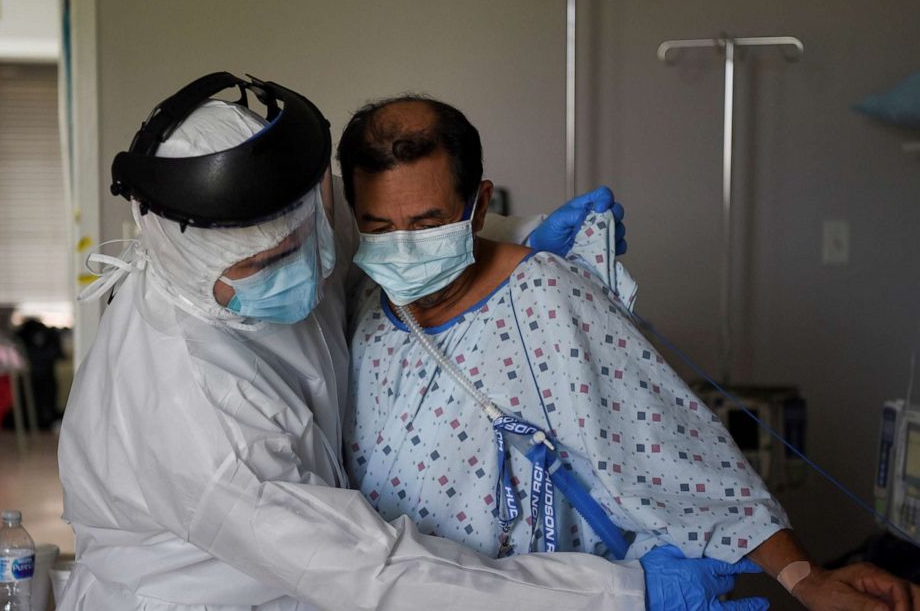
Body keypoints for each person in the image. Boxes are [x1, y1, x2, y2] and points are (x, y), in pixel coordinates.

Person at [58, 72, 750, 611]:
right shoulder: (195, 420)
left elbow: (391, 227)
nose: (304, 265)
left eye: (306, 235)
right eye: (260, 265)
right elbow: (372, 574)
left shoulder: (290, 219)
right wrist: (621, 595)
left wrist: (516, 234)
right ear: (185, 260)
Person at [338, 95, 920, 611]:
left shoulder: (545, 298)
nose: (405, 252)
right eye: (380, 228)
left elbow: (672, 451)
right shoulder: (364, 300)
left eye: (428, 224)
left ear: (479, 205)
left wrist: (806, 579)